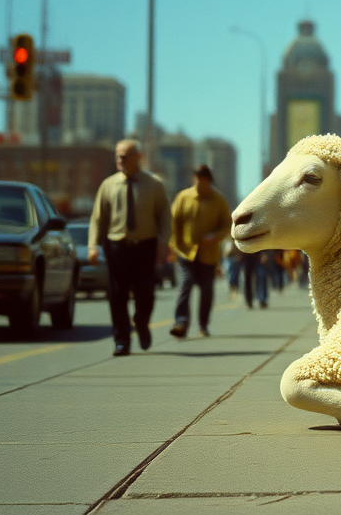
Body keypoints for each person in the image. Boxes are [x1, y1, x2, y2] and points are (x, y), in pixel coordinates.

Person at [88, 139, 172, 356]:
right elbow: (98, 218)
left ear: (138, 157)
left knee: (146, 293)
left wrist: (163, 243)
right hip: (117, 247)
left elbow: (164, 215)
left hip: (145, 246)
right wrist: (93, 246)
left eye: (124, 156)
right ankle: (121, 340)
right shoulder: (108, 185)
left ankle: (141, 323)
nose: (119, 160)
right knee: (117, 295)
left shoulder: (154, 184)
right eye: (117, 156)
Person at [169, 165, 233, 338]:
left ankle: (203, 324)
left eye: (202, 180)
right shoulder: (183, 197)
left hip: (208, 255)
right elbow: (174, 222)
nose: (199, 183)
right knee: (185, 284)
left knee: (206, 290)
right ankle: (181, 322)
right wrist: (174, 244)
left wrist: (215, 236)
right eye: (196, 179)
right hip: (186, 252)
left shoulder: (218, 200)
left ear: (209, 181)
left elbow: (227, 226)